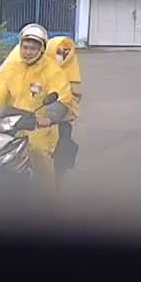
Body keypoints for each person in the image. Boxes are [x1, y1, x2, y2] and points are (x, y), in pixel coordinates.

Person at [0, 24, 72, 193]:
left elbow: (61, 96)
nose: (28, 52)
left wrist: (50, 117)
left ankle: (49, 202)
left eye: (33, 48)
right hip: (11, 124)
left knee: (41, 164)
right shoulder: (10, 67)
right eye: (25, 47)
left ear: (42, 49)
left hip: (38, 129)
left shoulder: (53, 71)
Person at [47, 36, 82, 178]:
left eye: (66, 52)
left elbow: (75, 96)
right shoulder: (40, 68)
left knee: (61, 148)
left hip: (62, 119)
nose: (62, 56)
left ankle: (59, 179)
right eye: (59, 52)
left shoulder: (71, 70)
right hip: (40, 116)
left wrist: (63, 106)